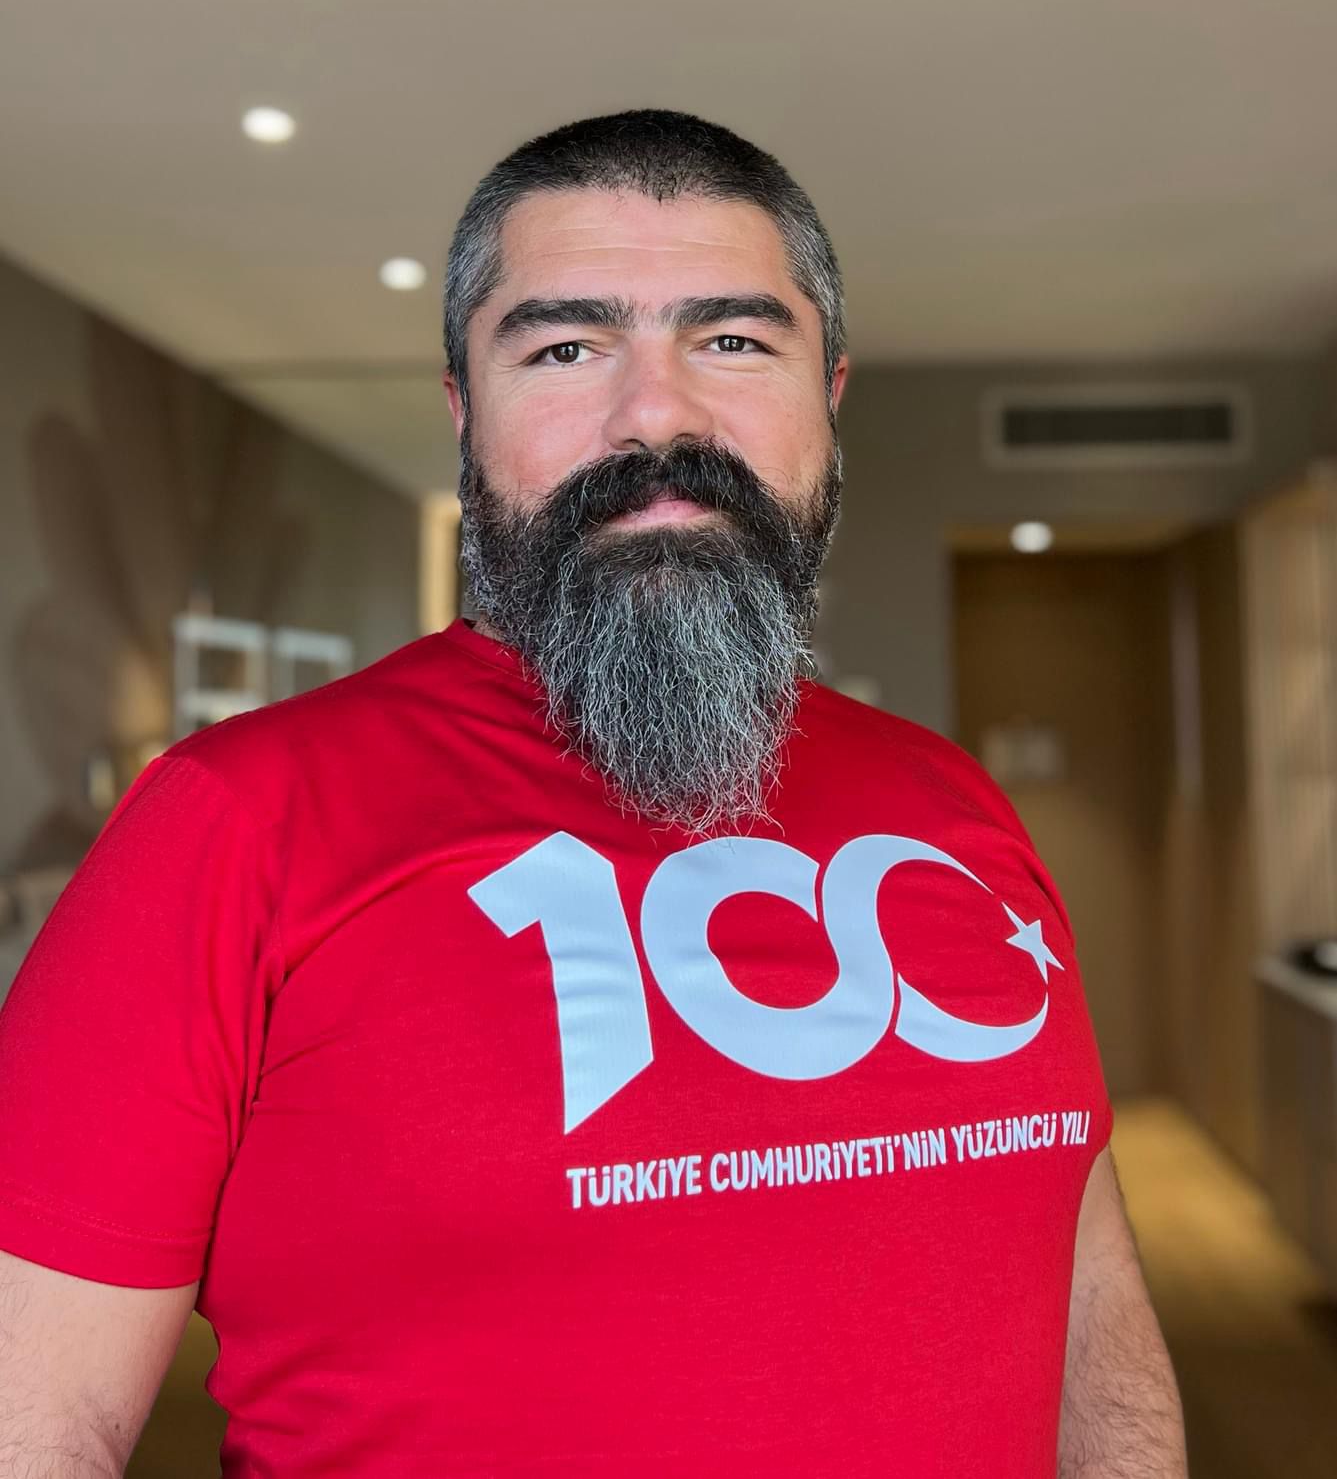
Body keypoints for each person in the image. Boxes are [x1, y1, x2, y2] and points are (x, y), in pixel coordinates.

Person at [0, 109, 1186, 1478]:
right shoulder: (232, 821)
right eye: (565, 348)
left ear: (829, 395)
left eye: (732, 342)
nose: (657, 414)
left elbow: (1090, 1307)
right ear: (465, 409)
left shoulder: (952, 805)